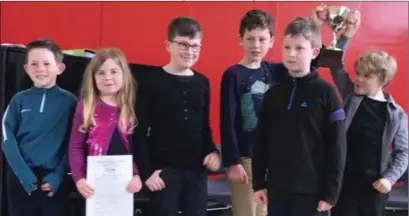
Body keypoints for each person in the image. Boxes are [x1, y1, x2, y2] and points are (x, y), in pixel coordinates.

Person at [252, 17, 347, 216]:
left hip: (311, 193)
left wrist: (331, 193)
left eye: (299, 48)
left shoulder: (327, 93)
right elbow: (261, 141)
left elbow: (337, 147)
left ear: (314, 52)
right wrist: (259, 182)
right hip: (277, 190)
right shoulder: (273, 94)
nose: (291, 54)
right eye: (287, 47)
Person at [133, 16, 221, 216]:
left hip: (196, 171)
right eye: (183, 44)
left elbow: (203, 126)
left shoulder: (202, 83)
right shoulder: (150, 81)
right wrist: (146, 172)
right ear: (168, 45)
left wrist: (213, 152)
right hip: (163, 172)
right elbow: (139, 132)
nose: (189, 51)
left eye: (195, 46)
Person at [324, 14, 408, 216]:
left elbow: (403, 152)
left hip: (374, 187)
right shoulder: (350, 94)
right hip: (344, 182)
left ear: (383, 80)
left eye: (366, 76)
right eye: (358, 73)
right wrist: (348, 35)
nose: (359, 79)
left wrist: (389, 178)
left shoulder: (396, 114)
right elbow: (335, 64)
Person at [1, 38, 77, 216]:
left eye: (46, 63)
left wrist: (57, 176)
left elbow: (73, 143)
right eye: (34, 64)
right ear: (26, 68)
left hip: (53, 180)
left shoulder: (71, 102)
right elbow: (6, 137)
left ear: (60, 68)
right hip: (20, 178)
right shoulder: (19, 100)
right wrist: (24, 175)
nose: (40, 69)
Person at [219, 9, 275, 216]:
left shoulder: (273, 71)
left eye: (262, 39)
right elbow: (228, 120)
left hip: (273, 158)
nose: (256, 45)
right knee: (247, 211)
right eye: (250, 38)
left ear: (272, 41)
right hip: (246, 159)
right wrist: (233, 162)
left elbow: (309, 61)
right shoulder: (233, 75)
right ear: (240, 39)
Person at [68, 48, 142, 200]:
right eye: (101, 73)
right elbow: (75, 146)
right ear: (93, 78)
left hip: (126, 184)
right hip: (93, 185)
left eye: (114, 71)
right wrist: (79, 178)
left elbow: (140, 148)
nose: (107, 77)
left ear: (124, 74)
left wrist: (137, 175)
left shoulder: (133, 106)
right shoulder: (86, 106)